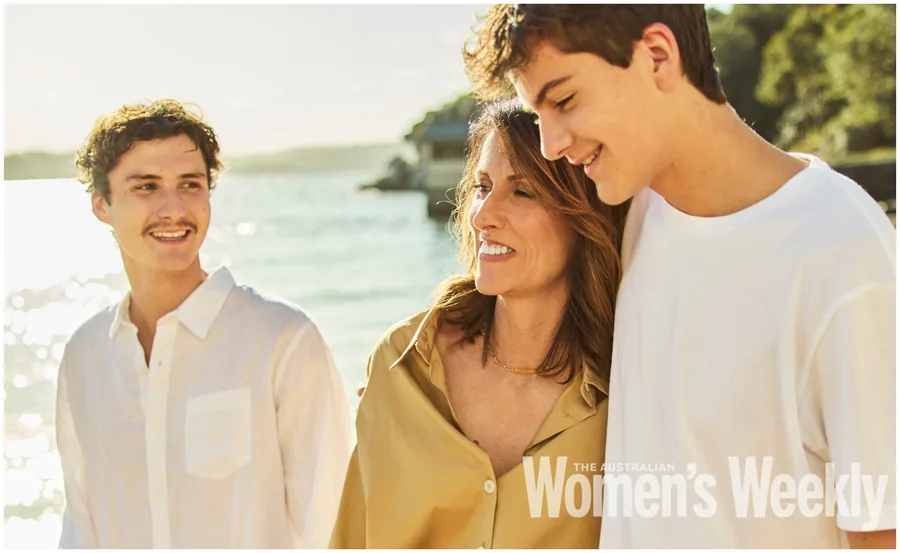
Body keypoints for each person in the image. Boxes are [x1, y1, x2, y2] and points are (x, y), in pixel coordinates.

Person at [464, 5, 896, 549]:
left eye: (566, 101)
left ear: (658, 57)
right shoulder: (634, 210)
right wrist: (418, 384)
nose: (551, 146)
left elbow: (881, 528)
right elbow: (525, 289)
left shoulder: (841, 253)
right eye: (537, 112)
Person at [329, 98, 627, 548]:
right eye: (483, 186)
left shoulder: (625, 391)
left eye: (523, 191)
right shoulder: (400, 367)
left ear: (583, 216)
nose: (483, 215)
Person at [56, 99, 353, 548]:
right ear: (102, 204)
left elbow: (334, 525)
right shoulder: (85, 355)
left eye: (190, 184)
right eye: (147, 186)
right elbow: (80, 528)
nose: (173, 208)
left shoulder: (283, 340)